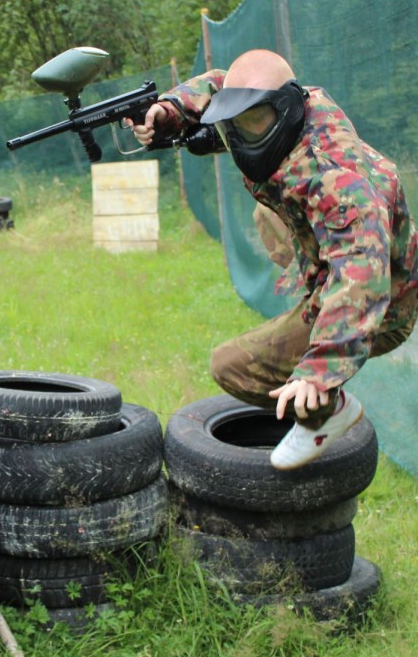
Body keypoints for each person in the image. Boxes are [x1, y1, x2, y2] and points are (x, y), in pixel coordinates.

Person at [127, 49, 418, 469]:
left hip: (383, 300)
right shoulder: (294, 101)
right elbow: (221, 82)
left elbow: (362, 273)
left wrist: (319, 372)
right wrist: (170, 110)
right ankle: (315, 281)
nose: (243, 135)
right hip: (354, 252)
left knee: (232, 367)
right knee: (267, 207)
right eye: (236, 123)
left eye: (255, 121)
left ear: (286, 108)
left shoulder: (335, 180)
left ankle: (328, 414)